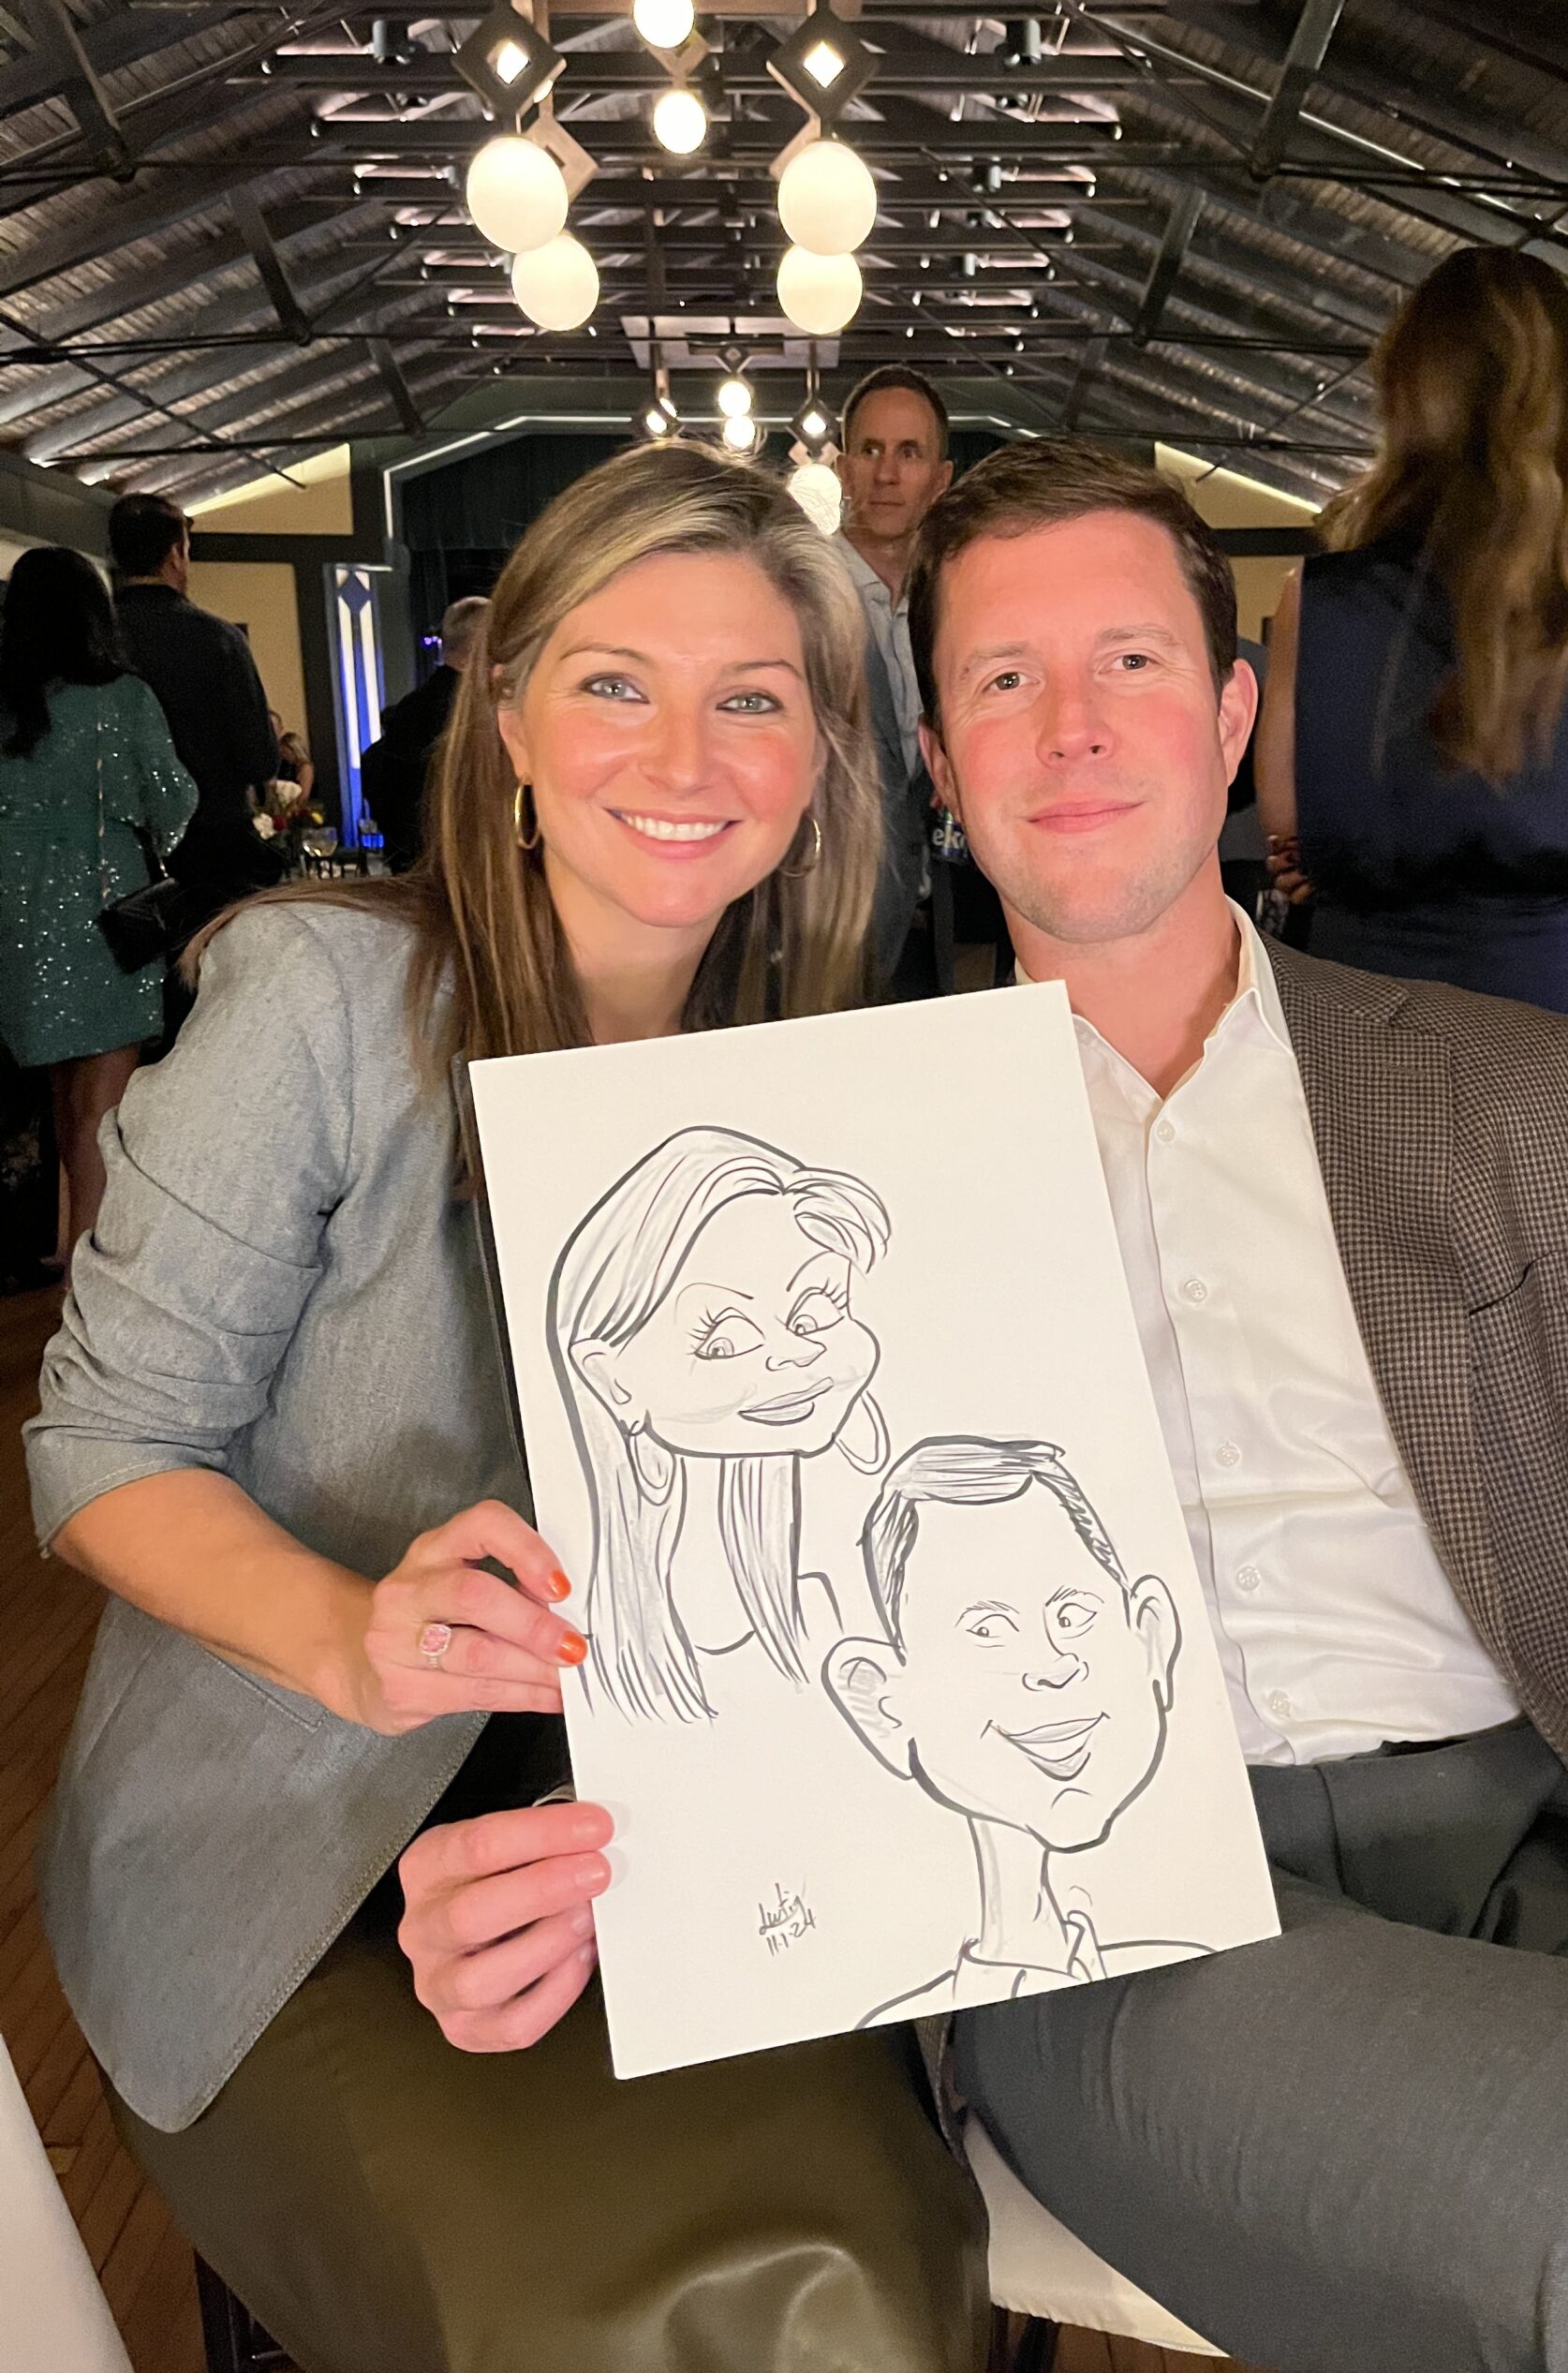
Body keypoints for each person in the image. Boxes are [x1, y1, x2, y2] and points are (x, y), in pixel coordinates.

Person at [26, 446, 983, 2373]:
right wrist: (353, 1633)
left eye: (752, 699)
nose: (685, 753)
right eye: (617, 681)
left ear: (820, 763)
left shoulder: (822, 1092)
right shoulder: (322, 998)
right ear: (515, 719)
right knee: (640, 2312)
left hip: (658, 1834)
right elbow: (102, 1447)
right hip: (292, 1848)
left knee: (870, 2262)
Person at [901, 435, 1568, 2372]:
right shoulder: (850, 1173)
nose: (1071, 725)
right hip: (1126, 1907)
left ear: (1234, 716)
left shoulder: (1498, 1085)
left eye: (1131, 661)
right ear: (937, 754)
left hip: (1529, 1832)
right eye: (1002, 677)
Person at [1256, 247, 1568, 1083]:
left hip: (1361, 999)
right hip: (1551, 1007)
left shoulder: (1322, 595)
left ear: (1407, 392)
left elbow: (1289, 821)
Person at [825, 1437, 1191, 2020]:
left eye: (1072, 1616)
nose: (1052, 1664)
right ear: (886, 1703)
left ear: (1150, 1637)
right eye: (987, 1630)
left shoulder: (1196, 1952)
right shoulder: (891, 2014)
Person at [551, 1124, 890, 1722]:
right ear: (611, 1380)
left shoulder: (853, 1574)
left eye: (815, 1314)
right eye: (724, 1341)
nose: (795, 1355)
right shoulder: (593, 1640)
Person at [0, 547, 196, 1253]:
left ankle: (67, 1251)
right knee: (101, 1116)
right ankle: (89, 1272)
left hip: (17, 916)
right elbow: (172, 801)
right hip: (105, 919)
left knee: (63, 1105)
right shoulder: (121, 698)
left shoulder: (11, 707)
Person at [108, 492, 281, 929]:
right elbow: (258, 758)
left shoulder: (95, 641)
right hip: (214, 849)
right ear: (175, 554)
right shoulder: (218, 639)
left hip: (120, 855)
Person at [836, 365, 953, 986]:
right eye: (870, 450)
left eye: (909, 453)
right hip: (819, 939)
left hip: (941, 935)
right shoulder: (794, 599)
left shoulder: (956, 606)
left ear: (941, 479)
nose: (886, 474)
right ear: (842, 468)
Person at [360, 593, 489, 869]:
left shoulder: (410, 707)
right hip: (468, 864)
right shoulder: (475, 710)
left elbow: (375, 769)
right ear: (480, 646)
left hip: (413, 865)